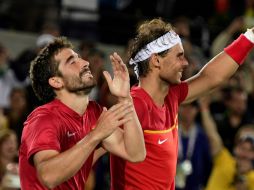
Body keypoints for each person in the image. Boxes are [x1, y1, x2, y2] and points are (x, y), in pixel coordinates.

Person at [110, 18, 254, 189]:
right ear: (156, 60)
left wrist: (250, 37)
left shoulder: (171, 96)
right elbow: (94, 146)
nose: (185, 63)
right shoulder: (135, 105)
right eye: (179, 56)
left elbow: (212, 77)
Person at [18, 37, 146, 189]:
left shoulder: (93, 112)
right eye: (72, 62)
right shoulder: (43, 118)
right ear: (56, 81)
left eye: (79, 58)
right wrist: (96, 135)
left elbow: (135, 153)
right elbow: (48, 176)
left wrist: (125, 99)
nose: (86, 63)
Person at [198, 96, 254, 190]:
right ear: (235, 148)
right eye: (242, 147)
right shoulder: (224, 159)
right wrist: (204, 108)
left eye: (250, 149)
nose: (244, 154)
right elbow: (212, 135)